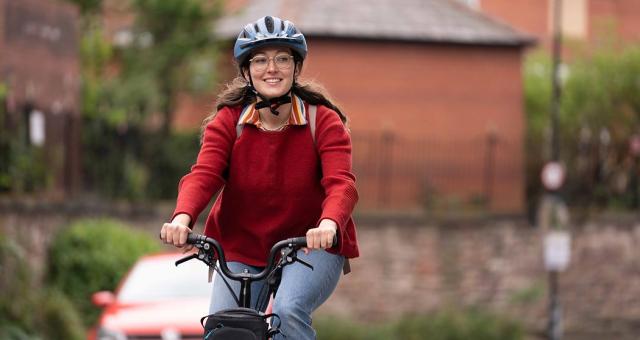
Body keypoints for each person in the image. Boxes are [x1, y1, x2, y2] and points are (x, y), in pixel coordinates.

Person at [159, 15, 359, 339]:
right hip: (241, 246)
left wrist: (328, 224)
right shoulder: (229, 121)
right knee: (224, 327)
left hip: (309, 245)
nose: (272, 68)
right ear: (246, 71)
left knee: (287, 311)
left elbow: (341, 183)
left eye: (282, 58)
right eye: (261, 60)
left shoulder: (321, 121)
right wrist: (183, 218)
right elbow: (204, 173)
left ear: (296, 67)